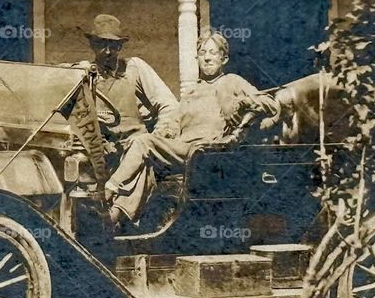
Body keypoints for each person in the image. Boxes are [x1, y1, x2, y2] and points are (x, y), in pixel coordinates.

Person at [105, 32, 281, 228]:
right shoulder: (192, 92)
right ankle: (116, 216)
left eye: (213, 53)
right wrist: (160, 135)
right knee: (141, 150)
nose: (207, 57)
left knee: (143, 143)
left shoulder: (232, 81)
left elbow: (270, 104)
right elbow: (172, 123)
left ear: (224, 58)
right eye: (202, 52)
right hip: (182, 150)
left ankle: (109, 189)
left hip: (207, 152)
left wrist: (242, 102)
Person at [70, 14, 178, 150]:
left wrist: (157, 138)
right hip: (99, 150)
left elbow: (169, 106)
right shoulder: (83, 72)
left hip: (135, 147)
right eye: (102, 45)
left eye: (113, 45)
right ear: (92, 45)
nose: (108, 51)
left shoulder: (134, 68)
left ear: (120, 47)